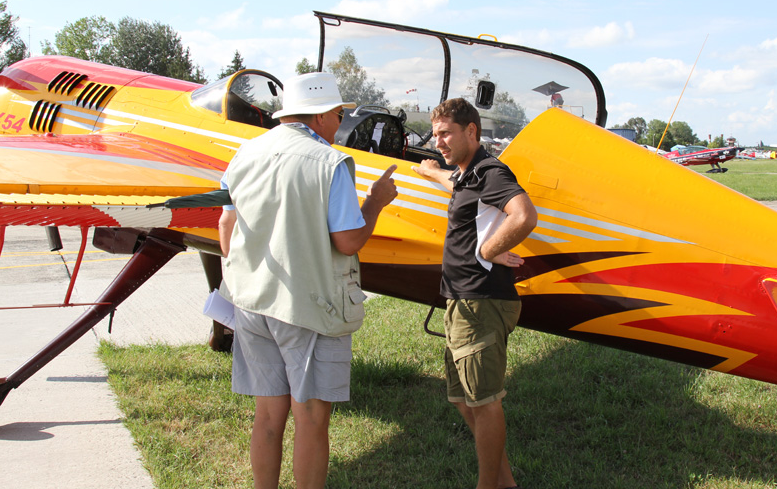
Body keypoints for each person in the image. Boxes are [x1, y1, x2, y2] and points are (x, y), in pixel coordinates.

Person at [217, 72, 398, 489]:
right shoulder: (330, 163)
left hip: (252, 303)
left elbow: (226, 226)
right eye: (338, 114)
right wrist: (375, 202)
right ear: (319, 116)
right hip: (310, 307)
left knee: (267, 416)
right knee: (312, 419)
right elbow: (348, 241)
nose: (340, 123)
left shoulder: (245, 152)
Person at [412, 98, 537, 489]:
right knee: (463, 398)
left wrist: (488, 250)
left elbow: (524, 215)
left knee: (484, 402)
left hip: (481, 301)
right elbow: (459, 184)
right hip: (462, 301)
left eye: (446, 133)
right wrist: (432, 171)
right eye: (435, 135)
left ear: (471, 131)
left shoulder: (490, 171)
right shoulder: (469, 174)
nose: (439, 142)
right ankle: (505, 483)